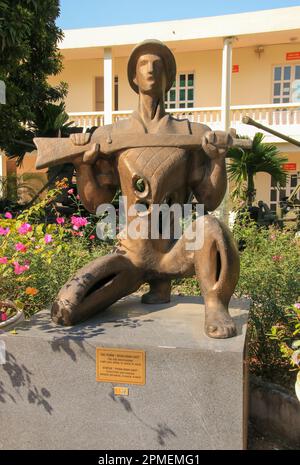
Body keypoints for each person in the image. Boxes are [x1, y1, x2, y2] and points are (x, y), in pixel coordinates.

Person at [50, 40, 240, 339]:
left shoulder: (192, 134)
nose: (151, 69)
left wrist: (217, 161)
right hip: (132, 256)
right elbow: (95, 202)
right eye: (143, 64)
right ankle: (145, 282)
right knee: (66, 308)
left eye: (159, 64)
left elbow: (209, 200)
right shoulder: (110, 135)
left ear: (168, 78)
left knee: (211, 227)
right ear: (133, 78)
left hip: (174, 253)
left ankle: (215, 303)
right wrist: (83, 166)